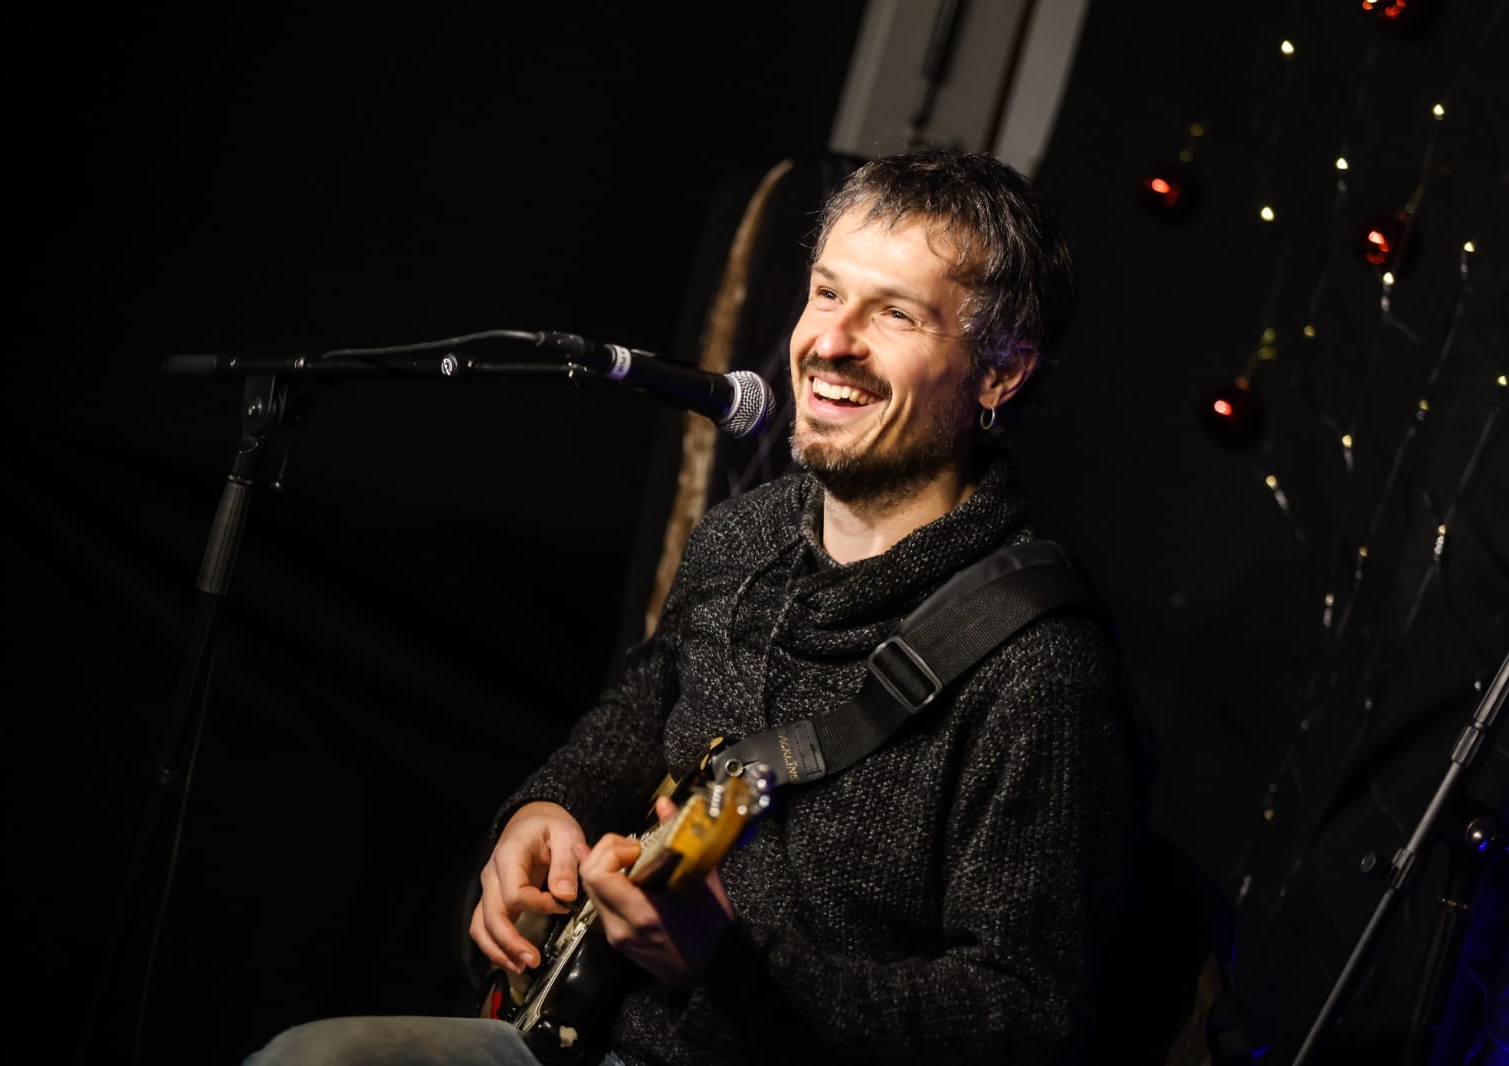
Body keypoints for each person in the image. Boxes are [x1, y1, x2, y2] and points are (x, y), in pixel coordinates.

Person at [249, 147, 1155, 1065]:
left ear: (1001, 373)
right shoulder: (745, 534)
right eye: (827, 293)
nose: (831, 343)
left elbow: (1028, 1024)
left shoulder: (1044, 673)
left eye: (896, 314)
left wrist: (735, 964)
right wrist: (547, 807)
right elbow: (643, 713)